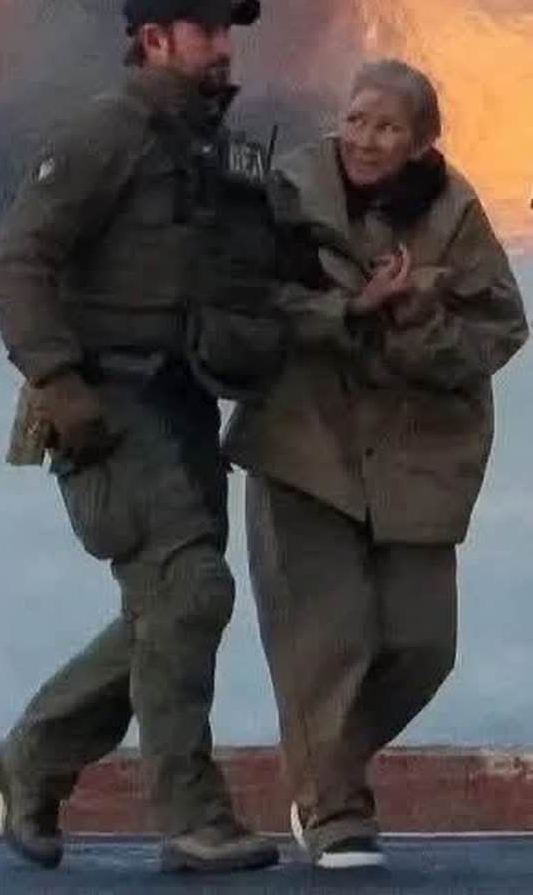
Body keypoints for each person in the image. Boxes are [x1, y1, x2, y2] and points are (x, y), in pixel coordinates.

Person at [0, 0, 283, 874]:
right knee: (190, 591)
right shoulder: (104, 133)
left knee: (169, 609)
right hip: (107, 402)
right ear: (154, 39)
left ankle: (32, 755)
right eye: (206, 30)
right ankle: (192, 816)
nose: (224, 47)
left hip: (185, 401)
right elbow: (13, 266)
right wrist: (59, 382)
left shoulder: (210, 150)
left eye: (228, 31)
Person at [225, 58, 529, 870]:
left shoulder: (455, 212)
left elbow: (499, 330)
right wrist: (348, 309)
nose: (365, 138)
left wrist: (416, 312)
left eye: (388, 127)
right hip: (305, 445)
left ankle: (322, 766)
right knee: (328, 643)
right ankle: (334, 814)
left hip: (416, 457)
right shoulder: (287, 192)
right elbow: (245, 304)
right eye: (356, 118)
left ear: (421, 141)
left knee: (424, 646)